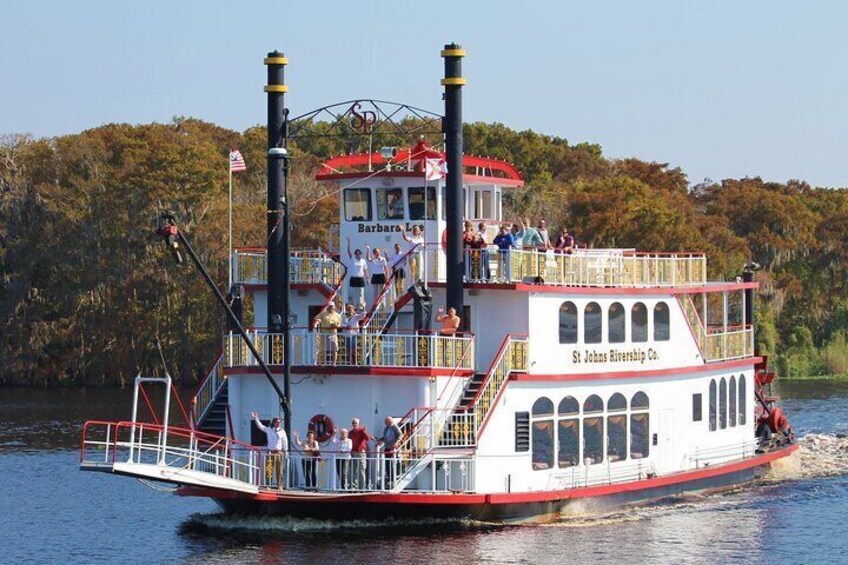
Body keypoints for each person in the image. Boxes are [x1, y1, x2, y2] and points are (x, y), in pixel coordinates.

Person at [250, 412, 288, 490]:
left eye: (279, 422)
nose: (279, 424)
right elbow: (261, 427)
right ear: (274, 423)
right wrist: (256, 419)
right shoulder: (269, 430)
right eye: (277, 422)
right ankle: (268, 485)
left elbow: (285, 441)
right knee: (269, 469)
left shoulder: (282, 431)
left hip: (278, 452)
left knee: (279, 470)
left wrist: (286, 451)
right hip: (270, 452)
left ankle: (280, 485)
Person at [378, 416, 402, 489]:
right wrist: (378, 439)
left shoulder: (395, 427)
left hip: (394, 448)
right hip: (387, 447)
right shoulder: (386, 429)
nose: (385, 424)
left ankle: (396, 476)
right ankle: (389, 477)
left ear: (390, 421)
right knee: (387, 463)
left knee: (394, 462)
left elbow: (400, 435)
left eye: (386, 422)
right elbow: (384, 437)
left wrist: (397, 442)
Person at [345, 237, 368, 309]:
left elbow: (365, 269)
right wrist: (349, 242)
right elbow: (348, 251)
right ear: (355, 254)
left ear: (361, 254)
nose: (358, 254)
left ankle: (361, 305)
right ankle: (355, 306)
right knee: (354, 293)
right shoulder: (353, 259)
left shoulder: (363, 261)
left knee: (361, 292)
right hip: (354, 278)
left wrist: (367, 278)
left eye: (359, 253)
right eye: (356, 253)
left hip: (360, 278)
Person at [349, 418, 371, 489]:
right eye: (353, 423)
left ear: (358, 423)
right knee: (353, 470)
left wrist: (364, 431)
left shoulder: (362, 431)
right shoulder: (351, 433)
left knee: (362, 470)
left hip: (361, 452)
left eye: (355, 423)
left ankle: (362, 487)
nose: (354, 424)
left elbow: (368, 438)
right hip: (353, 452)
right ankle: (354, 487)